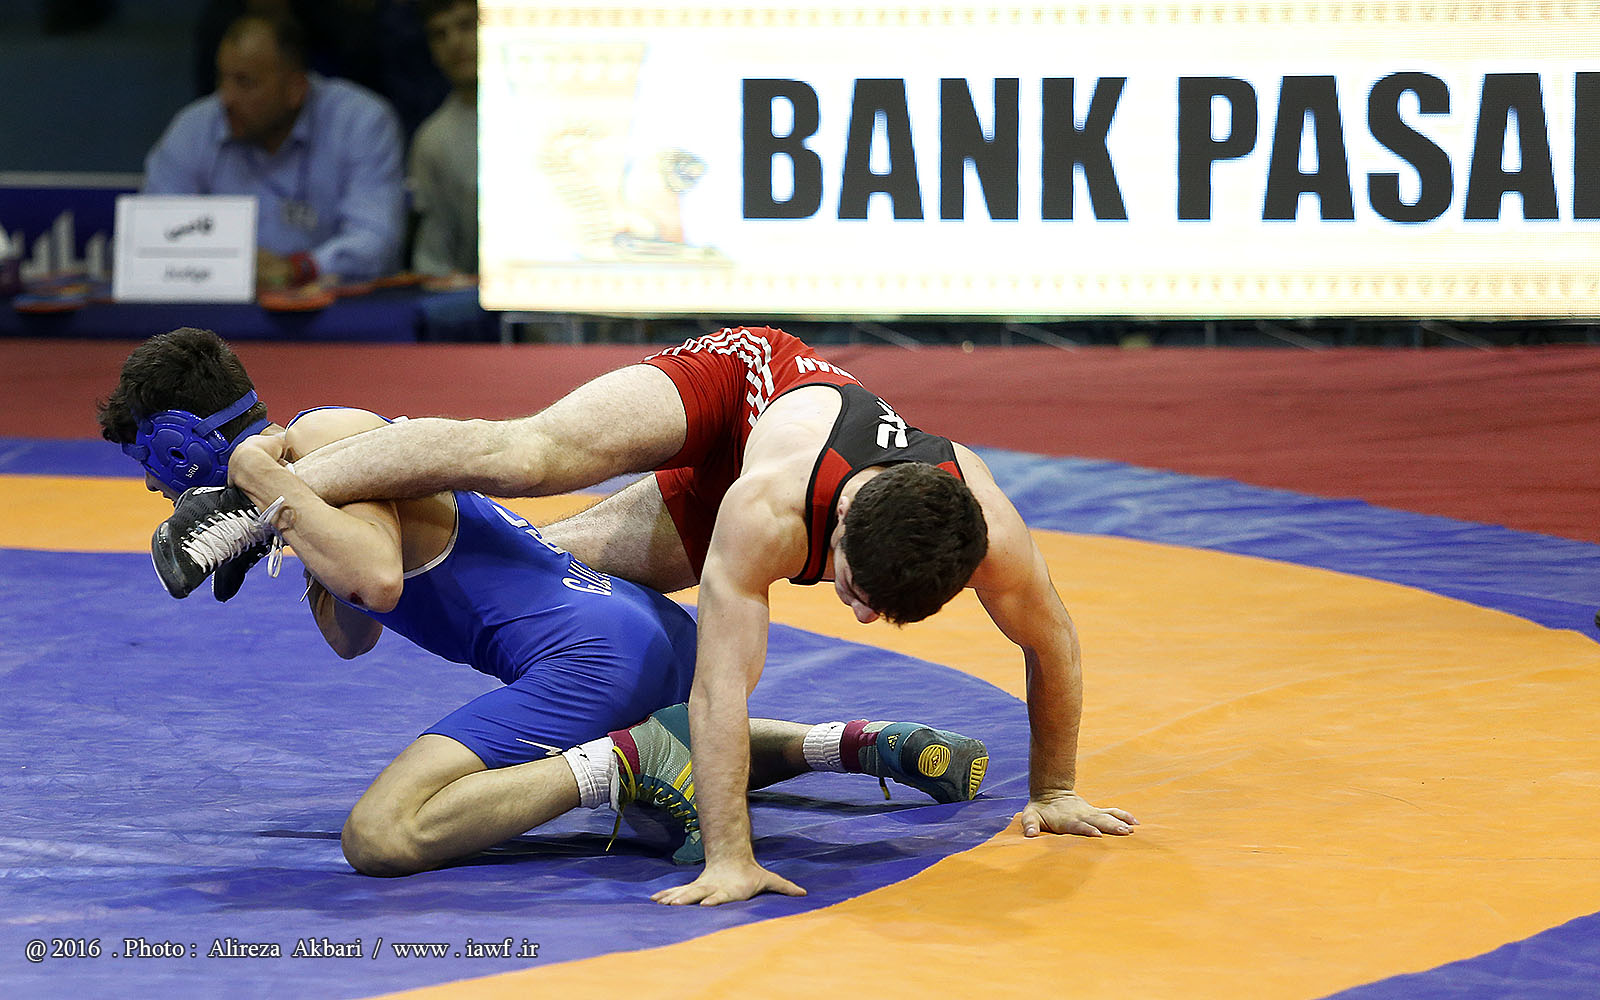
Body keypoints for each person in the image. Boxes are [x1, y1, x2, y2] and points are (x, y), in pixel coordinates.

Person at [152, 324, 1134, 904]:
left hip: (783, 474)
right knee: (532, 462)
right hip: (741, 385)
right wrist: (730, 855)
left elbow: (1053, 642)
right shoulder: (767, 512)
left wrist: (1054, 788)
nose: (857, 613)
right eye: (849, 586)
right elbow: (719, 683)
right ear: (834, 532)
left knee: (542, 574)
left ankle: (279, 504)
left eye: (874, 611)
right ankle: (256, 496)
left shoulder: (990, 530)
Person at [144, 12, 406, 290]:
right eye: (222, 79)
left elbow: (375, 239)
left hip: (335, 306)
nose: (226, 98)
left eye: (245, 82)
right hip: (218, 302)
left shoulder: (360, 122)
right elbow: (152, 236)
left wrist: (298, 269)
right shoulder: (194, 128)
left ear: (295, 89)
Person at [408, 0, 478, 278]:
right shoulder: (433, 140)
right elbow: (434, 261)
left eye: (467, 25)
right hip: (479, 296)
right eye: (440, 35)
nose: (455, 43)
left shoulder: (560, 109)